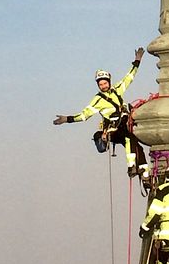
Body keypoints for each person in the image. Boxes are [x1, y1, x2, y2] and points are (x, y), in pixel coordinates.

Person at [53, 47, 147, 176]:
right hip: (112, 130)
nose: (103, 86)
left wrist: (137, 61)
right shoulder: (97, 100)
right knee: (128, 138)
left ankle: (146, 176)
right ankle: (131, 168)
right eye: (101, 84)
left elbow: (129, 77)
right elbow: (84, 115)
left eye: (105, 83)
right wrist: (67, 119)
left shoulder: (117, 90)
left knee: (137, 146)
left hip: (125, 125)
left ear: (109, 82)